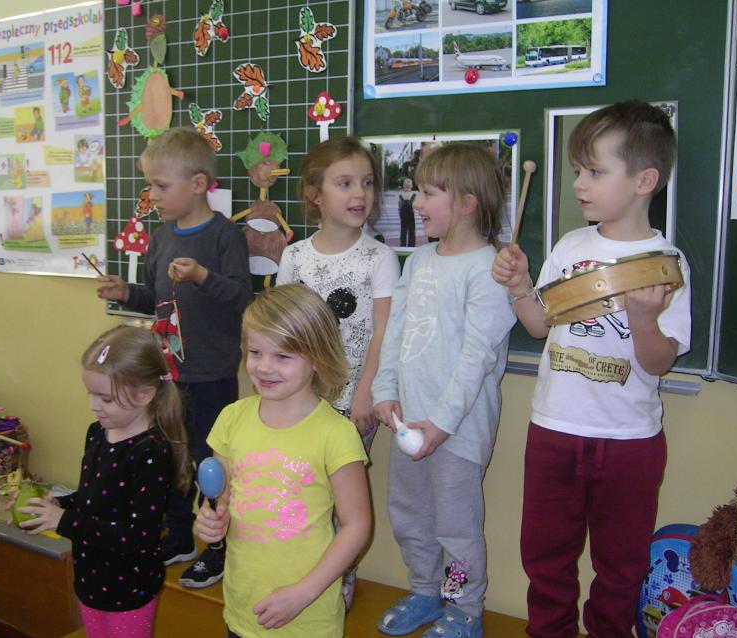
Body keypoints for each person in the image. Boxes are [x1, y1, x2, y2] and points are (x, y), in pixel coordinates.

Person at [491, 100, 692, 637]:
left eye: (595, 172)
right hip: (555, 429)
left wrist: (644, 321)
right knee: (545, 560)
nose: (579, 183)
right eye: (578, 170)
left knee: (621, 568)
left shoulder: (666, 263)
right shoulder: (570, 246)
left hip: (629, 440)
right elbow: (539, 325)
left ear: (644, 180)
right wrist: (519, 286)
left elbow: (659, 362)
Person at [95, 127, 253, 589]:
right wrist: (127, 293)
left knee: (210, 464)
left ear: (199, 184)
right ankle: (180, 536)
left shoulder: (225, 236)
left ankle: (217, 549)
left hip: (211, 376)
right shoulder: (161, 237)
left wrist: (202, 276)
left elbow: (243, 299)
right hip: (166, 374)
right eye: (151, 185)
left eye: (161, 185)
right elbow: (158, 299)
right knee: (169, 459)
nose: (153, 195)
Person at [372, 143, 516, 638]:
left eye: (429, 193)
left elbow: (477, 359)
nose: (417, 202)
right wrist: (385, 389)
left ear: (467, 203)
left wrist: (442, 423)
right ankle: (425, 591)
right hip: (409, 421)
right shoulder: (419, 261)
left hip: (457, 431)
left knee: (456, 528)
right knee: (410, 516)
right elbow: (395, 332)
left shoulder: (489, 269)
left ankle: (463, 609)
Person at [194, 284, 372, 638]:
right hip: (244, 609)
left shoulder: (336, 434)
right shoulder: (232, 418)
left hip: (306, 617)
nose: (264, 367)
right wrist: (210, 519)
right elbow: (221, 497)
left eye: (283, 356)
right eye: (255, 352)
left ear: (317, 359)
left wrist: (302, 593)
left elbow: (357, 526)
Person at [276, 135, 400, 608]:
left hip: (351, 400)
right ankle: (298, 573)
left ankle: (336, 579)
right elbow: (282, 330)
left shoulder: (379, 258)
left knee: (339, 498)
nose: (359, 194)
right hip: (300, 399)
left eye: (366, 183)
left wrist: (367, 391)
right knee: (301, 491)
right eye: (344, 183)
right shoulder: (295, 257)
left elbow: (383, 332)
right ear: (315, 193)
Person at [14, 325, 193, 638]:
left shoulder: (150, 453)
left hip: (128, 590)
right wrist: (51, 505)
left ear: (145, 394)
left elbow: (140, 536)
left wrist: (64, 521)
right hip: (91, 581)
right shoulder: (97, 432)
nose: (93, 406)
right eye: (91, 394)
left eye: (106, 398)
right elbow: (94, 498)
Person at [398, 177, 417, 248]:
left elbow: (399, 206)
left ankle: (403, 245)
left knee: (403, 231)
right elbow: (415, 206)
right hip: (411, 215)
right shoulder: (414, 195)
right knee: (411, 231)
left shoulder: (400, 195)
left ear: (403, 185)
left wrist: (400, 213)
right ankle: (411, 246)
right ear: (411, 186)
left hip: (403, 216)